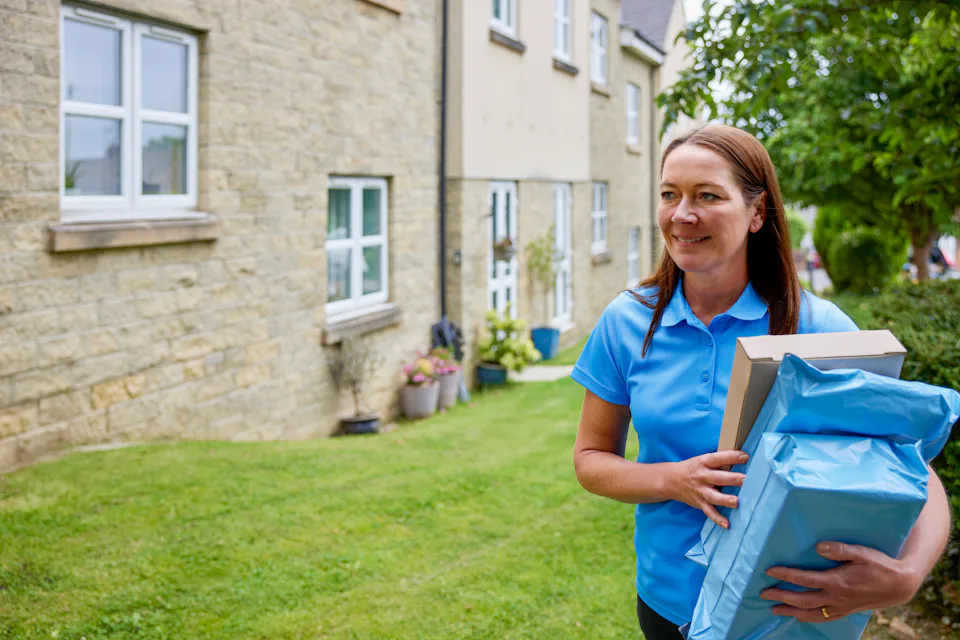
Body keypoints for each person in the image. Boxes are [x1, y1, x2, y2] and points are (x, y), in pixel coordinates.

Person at [570, 124, 951, 639]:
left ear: (757, 213)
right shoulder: (627, 322)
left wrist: (906, 578)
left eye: (707, 195)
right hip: (668, 602)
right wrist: (674, 481)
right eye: (669, 195)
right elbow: (591, 459)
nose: (682, 214)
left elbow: (913, 471)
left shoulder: (817, 327)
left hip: (784, 611)